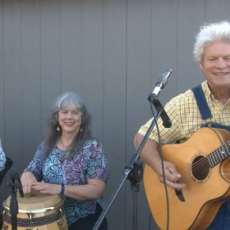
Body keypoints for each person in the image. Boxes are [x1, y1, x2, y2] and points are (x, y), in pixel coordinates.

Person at [134, 21, 230, 229]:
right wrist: (159, 166)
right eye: (213, 59)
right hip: (194, 210)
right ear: (201, 65)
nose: (221, 65)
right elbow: (142, 138)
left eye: (227, 58)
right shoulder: (187, 101)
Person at [21, 92, 108, 230]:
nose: (69, 117)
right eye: (64, 112)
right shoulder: (46, 145)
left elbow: (97, 190)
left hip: (83, 218)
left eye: (75, 112)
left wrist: (59, 189)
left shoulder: (92, 147)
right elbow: (33, 169)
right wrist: (27, 175)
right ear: (57, 117)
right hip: (49, 219)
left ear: (82, 118)